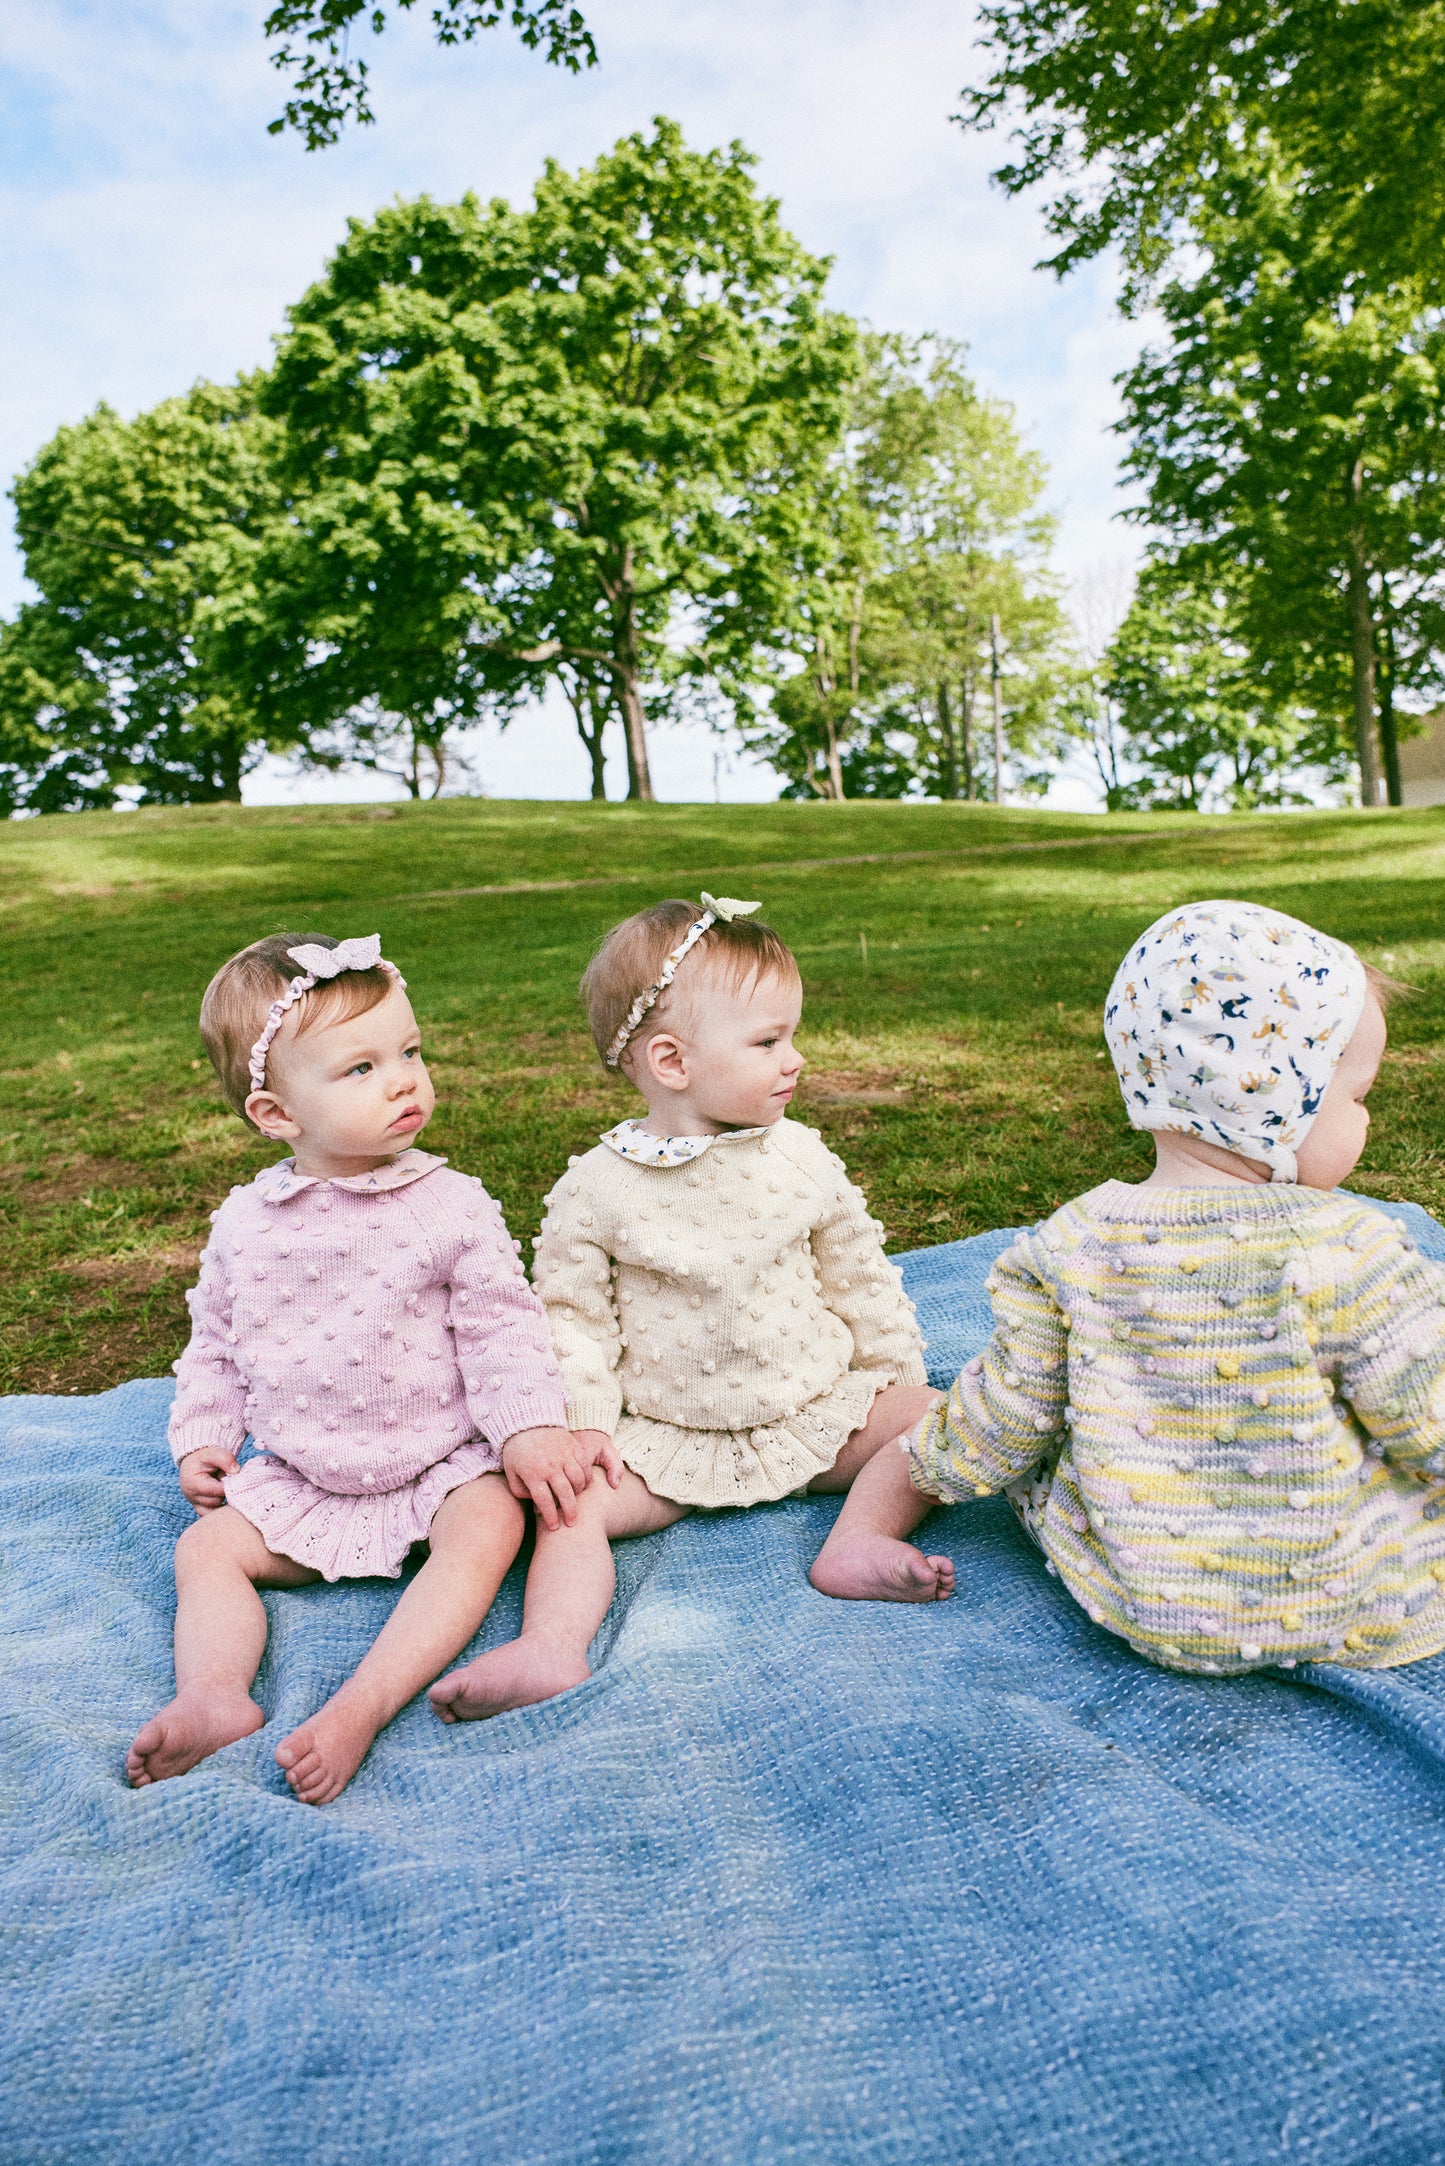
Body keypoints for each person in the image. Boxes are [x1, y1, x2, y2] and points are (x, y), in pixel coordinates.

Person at [829, 897, 1445, 1675]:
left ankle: (854, 1538)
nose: (1367, 1122)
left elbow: (994, 1432)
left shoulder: (1067, 1246)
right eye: (1357, 1098)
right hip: (1350, 1601)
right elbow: (1428, 1422)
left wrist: (908, 1477)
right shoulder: (1350, 1249)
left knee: (974, 1414)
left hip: (1143, 1599)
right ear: (1273, 1106)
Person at [428, 895, 944, 1725]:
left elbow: (859, 1276)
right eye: (768, 1041)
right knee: (567, 1507)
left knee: (939, 1421)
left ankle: (856, 1541)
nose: (795, 1060)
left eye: (791, 1036)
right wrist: (586, 1423)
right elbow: (570, 1318)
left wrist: (890, 1375)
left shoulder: (801, 1157)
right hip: (665, 1440)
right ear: (671, 1061)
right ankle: (550, 1645)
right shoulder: (596, 1191)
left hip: (815, 1418)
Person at [127, 932, 615, 1804]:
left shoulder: (447, 1204)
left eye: (410, 1052)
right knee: (206, 1549)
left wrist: (531, 1429)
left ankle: (363, 1703)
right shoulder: (245, 1224)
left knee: (490, 1525)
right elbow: (218, 1343)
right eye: (359, 1069)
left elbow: (503, 1331)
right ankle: (214, 1694)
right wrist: (203, 1435)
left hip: (439, 1462)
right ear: (277, 1115)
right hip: (307, 1474)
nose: (403, 1079)